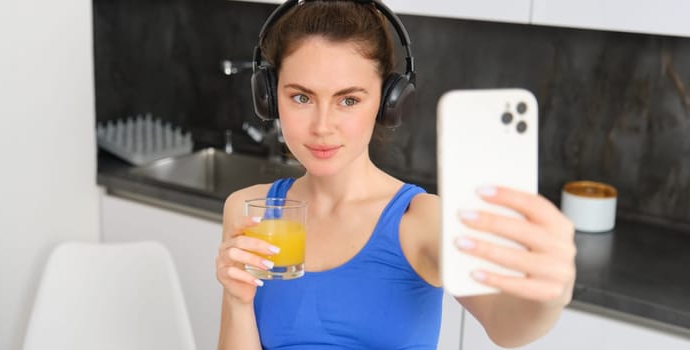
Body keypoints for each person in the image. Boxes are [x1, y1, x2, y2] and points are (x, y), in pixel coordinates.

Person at [215, 1, 577, 349]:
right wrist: (237, 300)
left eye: (349, 100)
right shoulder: (252, 211)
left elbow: (507, 326)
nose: (322, 126)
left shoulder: (420, 221)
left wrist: (550, 296)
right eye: (302, 98)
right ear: (269, 96)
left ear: (389, 103)